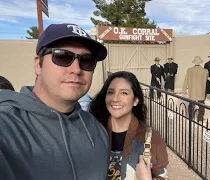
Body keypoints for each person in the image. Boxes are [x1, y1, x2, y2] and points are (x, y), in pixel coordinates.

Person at [0, 23, 110, 180]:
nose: (76, 69)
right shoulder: (6, 127)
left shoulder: (96, 130)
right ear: (38, 64)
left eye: (87, 61)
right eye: (62, 56)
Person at [89, 71, 169, 179]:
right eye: (110, 92)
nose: (115, 99)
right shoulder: (91, 134)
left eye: (124, 93)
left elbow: (163, 176)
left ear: (136, 100)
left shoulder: (152, 138)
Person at [183, 56, 209, 122]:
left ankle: (191, 117)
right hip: (201, 90)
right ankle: (200, 118)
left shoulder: (189, 70)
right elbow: (206, 80)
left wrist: (184, 88)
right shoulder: (205, 71)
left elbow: (186, 80)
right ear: (200, 62)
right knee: (201, 104)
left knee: (191, 104)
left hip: (192, 90)